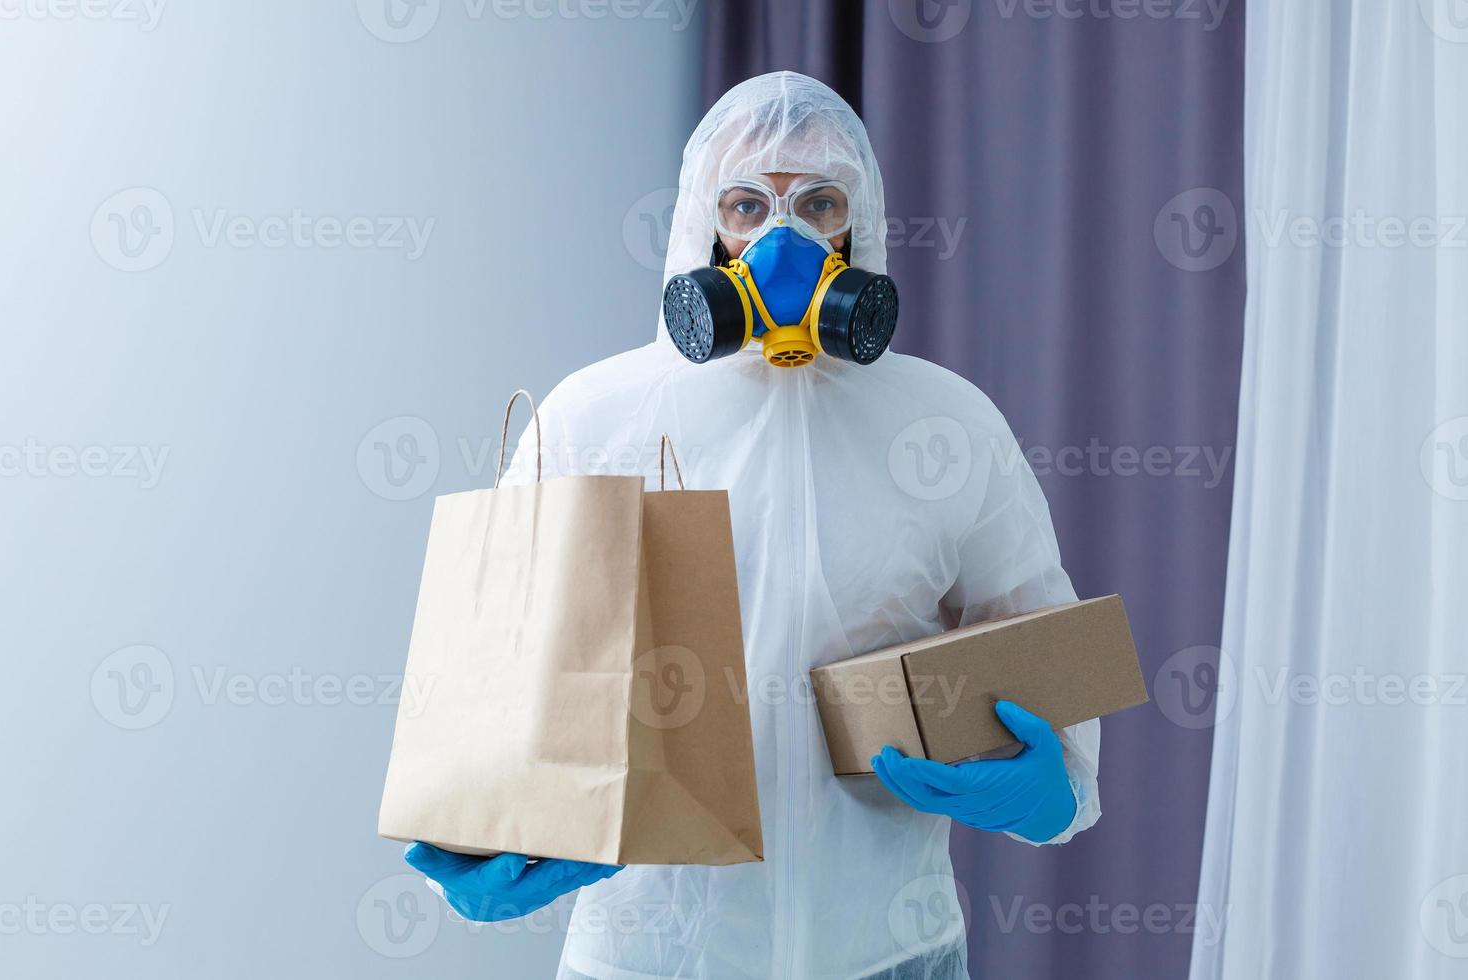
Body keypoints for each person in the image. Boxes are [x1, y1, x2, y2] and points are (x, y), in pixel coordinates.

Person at [404, 70, 1100, 980]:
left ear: (862, 226)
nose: (783, 238)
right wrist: (461, 853)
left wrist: (1059, 790)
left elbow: (1041, 643)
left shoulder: (947, 426)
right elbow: (491, 674)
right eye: (746, 204)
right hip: (652, 959)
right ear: (704, 224)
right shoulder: (595, 416)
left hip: (889, 950)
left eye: (819, 202)